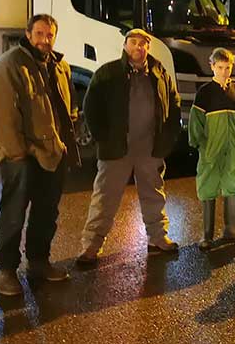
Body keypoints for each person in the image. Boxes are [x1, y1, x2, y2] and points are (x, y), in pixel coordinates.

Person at [0, 13, 79, 296]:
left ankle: (38, 262)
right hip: (21, 156)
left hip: (53, 152)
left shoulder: (59, 65)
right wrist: (16, 154)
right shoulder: (10, 65)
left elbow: (68, 104)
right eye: (39, 34)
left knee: (45, 213)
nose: (45, 40)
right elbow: (3, 116)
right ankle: (7, 271)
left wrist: (65, 142)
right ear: (28, 34)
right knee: (14, 214)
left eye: (50, 35)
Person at [76, 28, 181, 264]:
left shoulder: (160, 72)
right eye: (133, 43)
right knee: (104, 198)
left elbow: (173, 104)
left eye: (142, 44)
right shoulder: (108, 72)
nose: (138, 47)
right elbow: (91, 106)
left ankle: (158, 237)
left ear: (148, 47)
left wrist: (168, 139)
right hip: (116, 150)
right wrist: (103, 137)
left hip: (149, 149)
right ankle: (91, 246)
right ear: (125, 46)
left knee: (154, 195)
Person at [188, 48, 235, 249]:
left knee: (234, 183)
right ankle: (207, 236)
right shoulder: (205, 92)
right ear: (212, 67)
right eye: (220, 67)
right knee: (208, 185)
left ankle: (232, 229)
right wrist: (198, 142)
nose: (224, 72)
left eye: (227, 67)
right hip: (211, 146)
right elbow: (195, 121)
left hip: (234, 147)